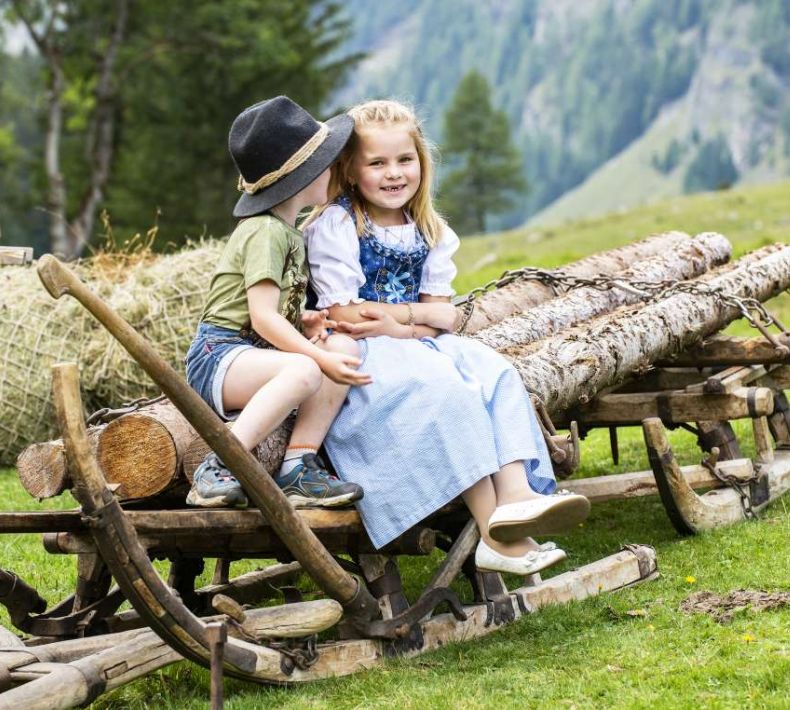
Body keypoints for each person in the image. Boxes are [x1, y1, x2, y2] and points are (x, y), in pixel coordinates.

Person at [303, 99, 590, 576]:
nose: (394, 173)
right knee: (450, 392)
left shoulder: (430, 229)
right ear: (351, 171)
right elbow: (344, 313)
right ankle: (495, 531)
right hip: (367, 358)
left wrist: (403, 322)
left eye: (404, 160)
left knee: (496, 373)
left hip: (415, 342)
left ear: (422, 161)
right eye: (377, 163)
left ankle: (517, 495)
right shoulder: (338, 224)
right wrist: (413, 324)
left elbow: (446, 316)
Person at [184, 96, 374, 510]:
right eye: (326, 159)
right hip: (219, 356)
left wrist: (304, 320)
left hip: (252, 353)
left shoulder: (288, 231)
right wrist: (315, 356)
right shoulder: (266, 232)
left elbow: (275, 310)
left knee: (342, 345)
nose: (334, 166)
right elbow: (262, 317)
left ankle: (297, 466)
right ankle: (219, 466)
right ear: (303, 173)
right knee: (308, 368)